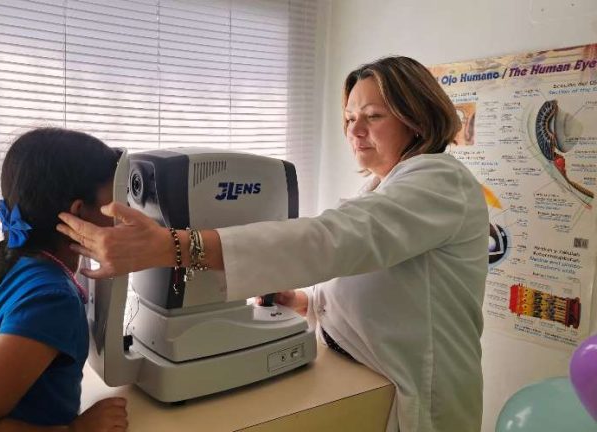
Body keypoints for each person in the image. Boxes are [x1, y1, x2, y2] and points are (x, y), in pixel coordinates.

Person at [56, 56, 488, 432]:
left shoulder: (440, 182)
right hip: (359, 373)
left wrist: (174, 246)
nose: (354, 130)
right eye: (349, 118)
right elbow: (374, 277)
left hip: (418, 393)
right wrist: (304, 302)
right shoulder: (380, 189)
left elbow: (334, 240)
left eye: (373, 116)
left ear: (417, 117)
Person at [0, 128, 129, 432]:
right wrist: (76, 430)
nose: (123, 215)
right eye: (114, 202)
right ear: (79, 214)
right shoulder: (54, 299)